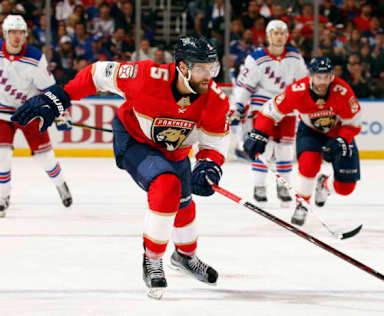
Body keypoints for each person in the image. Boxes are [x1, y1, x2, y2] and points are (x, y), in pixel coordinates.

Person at [11, 34, 229, 300]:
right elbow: (97, 73)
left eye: (212, 68)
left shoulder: (215, 99)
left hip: (175, 151)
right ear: (182, 67)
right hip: (135, 140)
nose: (209, 75)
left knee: (184, 203)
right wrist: (59, 98)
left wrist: (209, 164)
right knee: (166, 187)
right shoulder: (146, 75)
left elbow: (214, 141)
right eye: (202, 68)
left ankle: (185, 257)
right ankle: (153, 259)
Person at [243, 56, 362, 226]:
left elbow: (354, 123)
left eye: (326, 76)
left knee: (346, 188)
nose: (323, 81)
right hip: (311, 132)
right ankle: (302, 204)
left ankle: (325, 185)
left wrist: (343, 140)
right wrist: (259, 133)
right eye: (319, 77)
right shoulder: (297, 91)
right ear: (311, 76)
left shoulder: (342, 91)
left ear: (332, 76)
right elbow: (270, 111)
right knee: (308, 165)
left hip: (338, 134)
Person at [0, 15, 72, 217]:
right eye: (12, 32)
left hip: (29, 112)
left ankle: (61, 185)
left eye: (20, 33)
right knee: (2, 156)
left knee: (45, 157)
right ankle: (3, 198)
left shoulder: (35, 58)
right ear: (5, 34)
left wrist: (60, 113)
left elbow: (49, 88)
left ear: (25, 35)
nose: (17, 37)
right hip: (2, 114)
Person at [229, 19, 308, 203]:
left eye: (282, 33)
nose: (279, 36)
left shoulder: (295, 57)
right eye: (275, 33)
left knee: (286, 149)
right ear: (268, 35)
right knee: (262, 146)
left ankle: (283, 185)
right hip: (262, 107)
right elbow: (244, 85)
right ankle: (259, 186)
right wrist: (238, 106)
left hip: (287, 107)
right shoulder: (256, 58)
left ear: (287, 35)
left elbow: (303, 84)